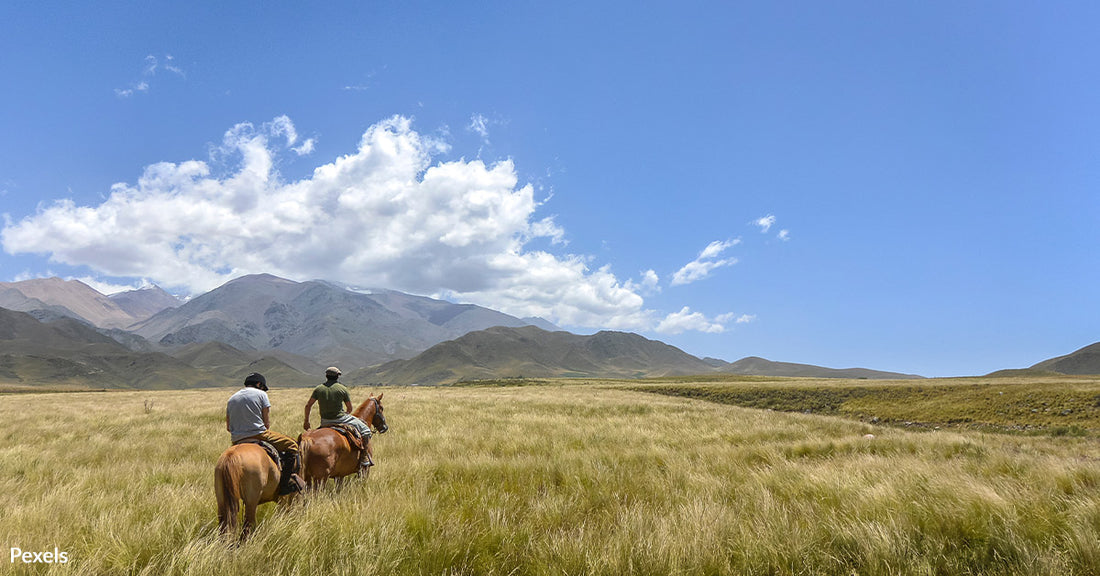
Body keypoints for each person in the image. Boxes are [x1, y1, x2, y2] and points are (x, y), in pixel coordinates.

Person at [226, 372, 304, 495]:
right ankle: (284, 485)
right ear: (259, 384)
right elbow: (266, 424)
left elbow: (228, 428)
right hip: (259, 434)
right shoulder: (261, 394)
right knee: (292, 445)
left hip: (237, 439)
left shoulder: (232, 398)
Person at [303, 366, 373, 475]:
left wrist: (306, 421)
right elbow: (349, 408)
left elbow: (308, 406)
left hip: (325, 421)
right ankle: (364, 458)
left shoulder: (318, 389)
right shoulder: (342, 389)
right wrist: (346, 415)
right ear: (337, 376)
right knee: (366, 431)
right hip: (341, 418)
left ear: (326, 376)